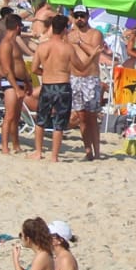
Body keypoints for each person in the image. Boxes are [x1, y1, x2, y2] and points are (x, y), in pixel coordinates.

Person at [31, 14, 98, 162]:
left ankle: (38, 152)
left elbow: (34, 69)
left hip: (47, 85)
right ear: (64, 30)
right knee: (59, 123)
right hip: (63, 86)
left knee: (41, 120)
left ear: (52, 28)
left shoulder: (42, 47)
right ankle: (54, 156)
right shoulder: (67, 48)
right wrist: (92, 56)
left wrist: (47, 72)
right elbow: (81, 68)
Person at [67, 5, 111, 162]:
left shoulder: (95, 33)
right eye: (77, 15)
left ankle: (97, 151)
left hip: (90, 78)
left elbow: (94, 51)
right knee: (81, 117)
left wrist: (79, 42)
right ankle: (88, 151)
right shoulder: (70, 35)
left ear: (87, 16)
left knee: (92, 117)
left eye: (82, 15)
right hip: (75, 78)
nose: (80, 19)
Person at [0, 13, 33, 155]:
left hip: (20, 81)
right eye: (21, 26)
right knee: (9, 116)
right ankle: (5, 146)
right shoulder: (6, 44)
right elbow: (6, 68)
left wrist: (27, 82)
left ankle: (16, 144)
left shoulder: (14, 42)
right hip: (11, 83)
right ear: (17, 27)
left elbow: (20, 64)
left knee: (17, 117)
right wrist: (16, 88)